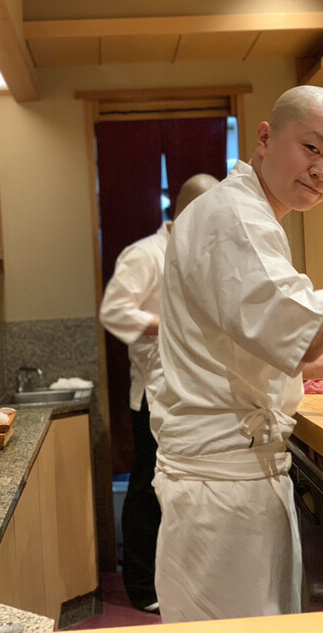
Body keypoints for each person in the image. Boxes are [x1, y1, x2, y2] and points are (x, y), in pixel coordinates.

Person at [150, 85, 323, 623]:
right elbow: (304, 331)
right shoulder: (236, 218)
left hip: (227, 479)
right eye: (312, 149)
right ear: (265, 137)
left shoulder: (248, 213)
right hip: (223, 488)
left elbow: (241, 340)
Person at [99, 173, 219, 613]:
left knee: (182, 486)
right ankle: (141, 585)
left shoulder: (203, 253)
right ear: (186, 211)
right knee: (147, 487)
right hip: (155, 389)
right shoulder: (146, 254)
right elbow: (114, 312)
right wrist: (170, 325)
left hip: (195, 389)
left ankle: (180, 578)